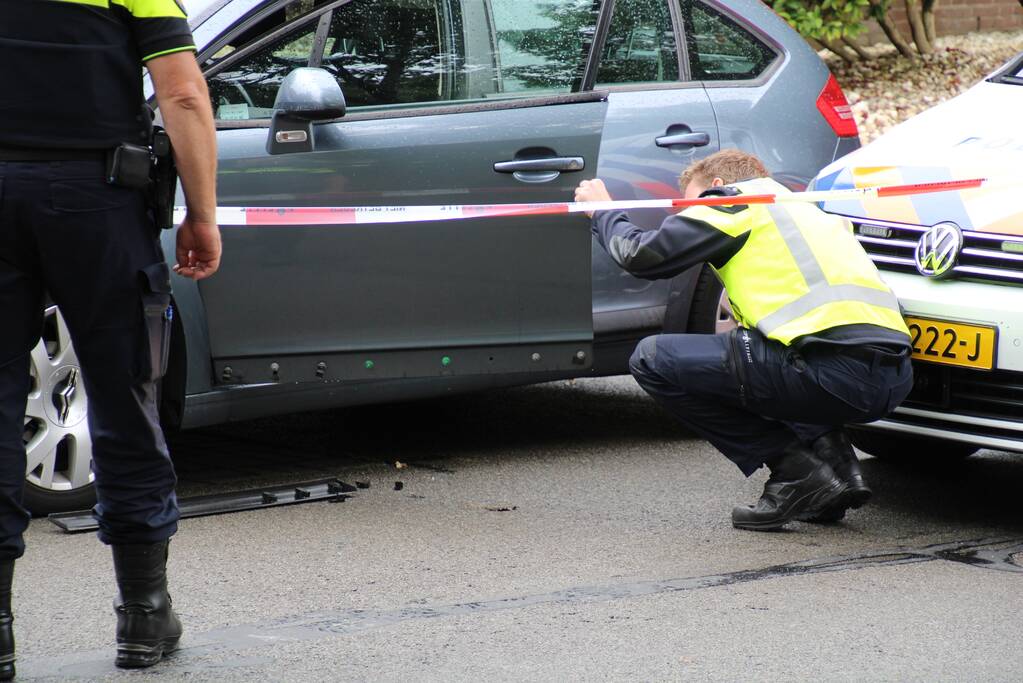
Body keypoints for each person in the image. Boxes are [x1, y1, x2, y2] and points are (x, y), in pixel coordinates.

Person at [0, 0, 220, 676]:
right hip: (96, 199)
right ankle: (143, 615)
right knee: (125, 397)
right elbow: (181, 94)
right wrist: (201, 215)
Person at [575, 149, 913, 532]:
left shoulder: (735, 203)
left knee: (652, 359)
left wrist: (602, 211)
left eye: (691, 204)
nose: (687, 216)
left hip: (831, 373)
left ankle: (795, 472)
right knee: (759, 353)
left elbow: (640, 255)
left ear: (718, 186)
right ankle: (839, 472)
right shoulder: (808, 212)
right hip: (892, 380)